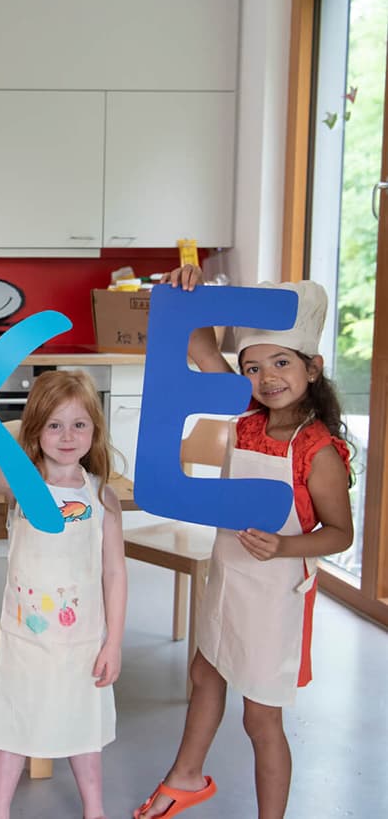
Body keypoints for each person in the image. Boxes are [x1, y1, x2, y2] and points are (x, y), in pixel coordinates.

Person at [134, 271, 354, 819]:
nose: (266, 377)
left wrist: (283, 547)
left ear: (312, 368)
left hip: (275, 592)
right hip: (229, 574)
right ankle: (185, 778)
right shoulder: (248, 418)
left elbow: (341, 533)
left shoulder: (318, 450)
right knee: (206, 672)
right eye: (253, 367)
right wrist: (188, 293)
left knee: (261, 718)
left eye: (281, 363)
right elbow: (201, 346)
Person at [0, 369, 125, 819]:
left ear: (95, 429)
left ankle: (94, 809)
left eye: (79, 424)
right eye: (55, 425)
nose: (67, 436)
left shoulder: (102, 497)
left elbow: (114, 573)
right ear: (35, 431)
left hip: (83, 640)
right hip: (25, 638)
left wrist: (113, 642)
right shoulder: (20, 482)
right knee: (14, 725)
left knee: (83, 726)